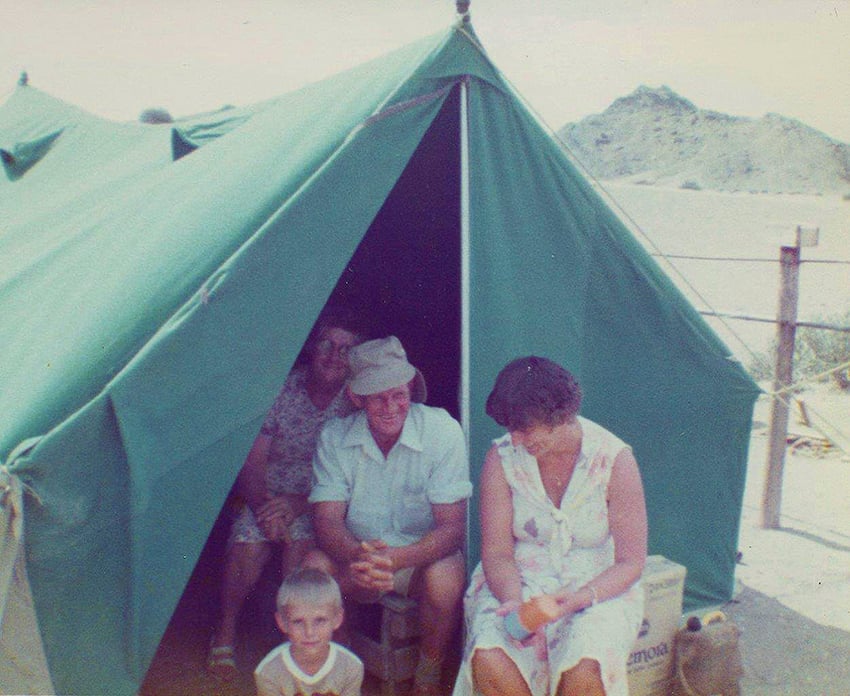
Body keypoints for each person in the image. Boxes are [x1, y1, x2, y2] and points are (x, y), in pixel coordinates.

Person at [453, 356, 648, 696]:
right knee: (489, 657)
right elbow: (497, 553)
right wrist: (516, 604)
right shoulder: (501, 458)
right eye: (510, 428)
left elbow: (631, 562)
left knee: (585, 666)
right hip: (518, 581)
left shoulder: (614, 458)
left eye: (524, 428)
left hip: (596, 586)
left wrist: (578, 599)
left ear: (560, 415)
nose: (514, 440)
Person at [307, 335, 472, 695]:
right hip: (358, 559)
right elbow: (327, 522)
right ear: (356, 397)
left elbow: (452, 529)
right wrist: (360, 557)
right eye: (378, 396)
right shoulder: (335, 436)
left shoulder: (442, 430)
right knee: (314, 569)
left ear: (411, 387)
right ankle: (341, 659)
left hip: (416, 560)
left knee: (446, 576)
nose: (391, 406)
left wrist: (395, 560)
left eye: (398, 394)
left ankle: (427, 675)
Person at [207, 312, 363, 681]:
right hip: (266, 494)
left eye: (346, 348)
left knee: (304, 548)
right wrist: (264, 508)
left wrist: (298, 504)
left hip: (319, 499)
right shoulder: (282, 388)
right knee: (246, 540)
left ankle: (297, 647)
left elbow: (354, 476)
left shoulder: (353, 402)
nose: (334, 355)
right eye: (327, 344)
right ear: (313, 346)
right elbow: (253, 460)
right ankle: (225, 631)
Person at [254, 567, 364, 696]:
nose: (309, 632)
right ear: (282, 622)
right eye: (298, 621)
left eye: (320, 620)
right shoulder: (269, 671)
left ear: (337, 619)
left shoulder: (351, 667)